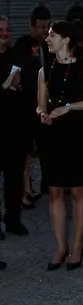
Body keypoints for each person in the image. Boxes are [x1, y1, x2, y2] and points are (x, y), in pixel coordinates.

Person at [38, 21, 83, 270]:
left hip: (76, 134)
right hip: (52, 135)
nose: (47, 39)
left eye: (52, 35)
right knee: (54, 191)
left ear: (65, 40)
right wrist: (42, 113)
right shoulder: (44, 70)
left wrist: (69, 107)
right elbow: (40, 103)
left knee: (77, 191)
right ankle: (60, 246)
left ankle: (76, 246)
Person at [14, 5, 52, 203]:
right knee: (26, 150)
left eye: (47, 27)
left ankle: (47, 183)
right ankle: (25, 188)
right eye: (40, 27)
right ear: (32, 26)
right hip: (27, 106)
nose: (44, 31)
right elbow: (23, 72)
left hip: (45, 105)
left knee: (46, 145)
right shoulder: (23, 44)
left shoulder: (48, 45)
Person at [0, 16, 28, 238]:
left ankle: (13, 219)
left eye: (8, 29)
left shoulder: (16, 56)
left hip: (14, 127)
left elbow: (23, 89)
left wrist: (17, 87)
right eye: (1, 29)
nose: (5, 32)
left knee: (14, 177)